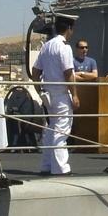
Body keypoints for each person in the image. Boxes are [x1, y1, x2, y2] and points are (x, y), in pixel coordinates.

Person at [33, 14, 79, 175]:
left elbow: (35, 71)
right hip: (60, 94)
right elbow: (68, 73)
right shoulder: (64, 47)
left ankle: (46, 165)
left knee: (51, 129)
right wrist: (75, 95)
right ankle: (61, 168)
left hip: (48, 94)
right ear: (70, 29)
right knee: (61, 130)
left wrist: (39, 90)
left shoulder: (46, 46)